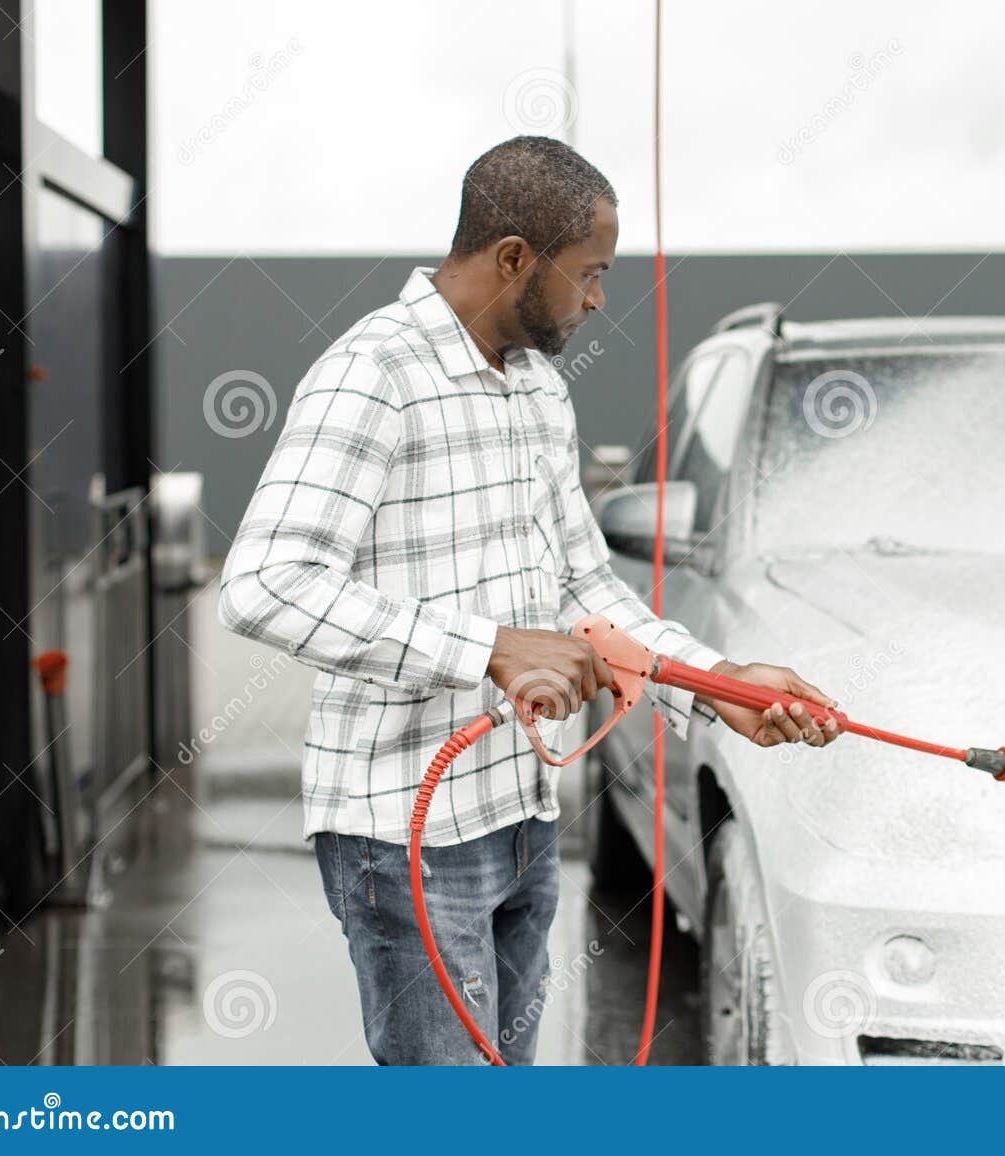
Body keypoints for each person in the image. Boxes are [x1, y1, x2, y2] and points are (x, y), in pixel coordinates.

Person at [219, 136, 840, 1064]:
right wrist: (485, 648)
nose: (596, 301)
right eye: (588, 274)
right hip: (404, 835)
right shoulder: (374, 375)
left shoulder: (539, 388)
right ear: (515, 258)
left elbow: (587, 591)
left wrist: (719, 684)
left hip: (520, 816)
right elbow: (265, 585)